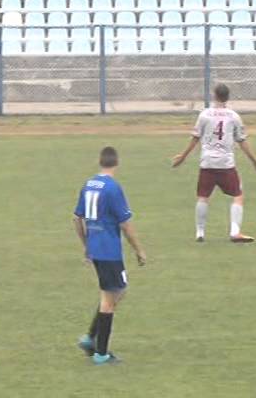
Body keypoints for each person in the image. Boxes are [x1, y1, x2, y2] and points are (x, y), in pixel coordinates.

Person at [73, 146, 147, 365]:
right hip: (109, 250)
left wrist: (86, 244)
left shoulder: (88, 184)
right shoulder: (113, 188)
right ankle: (101, 353)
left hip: (96, 248)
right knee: (110, 298)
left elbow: (77, 218)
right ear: (117, 163)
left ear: (100, 162)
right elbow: (125, 223)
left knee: (116, 292)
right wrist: (139, 250)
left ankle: (90, 338)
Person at [171, 83, 256, 242]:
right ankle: (235, 232)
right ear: (228, 97)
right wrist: (255, 161)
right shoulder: (234, 116)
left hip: (207, 162)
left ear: (214, 95)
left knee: (203, 197)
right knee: (238, 195)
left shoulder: (205, 115)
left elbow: (195, 138)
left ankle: (200, 233)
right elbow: (242, 141)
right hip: (226, 164)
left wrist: (182, 156)